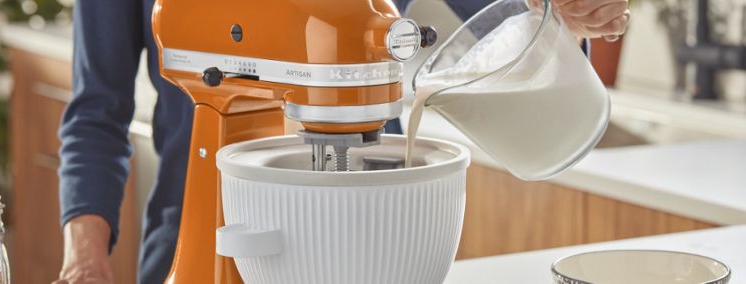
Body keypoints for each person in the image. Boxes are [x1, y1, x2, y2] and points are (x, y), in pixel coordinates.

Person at [54, 0, 630, 283]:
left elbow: (515, 25)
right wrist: (87, 258)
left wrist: (569, 14)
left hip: (379, 248)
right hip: (196, 236)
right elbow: (96, 114)